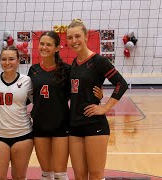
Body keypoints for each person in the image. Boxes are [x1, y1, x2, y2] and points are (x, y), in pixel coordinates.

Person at [27, 31, 103, 180]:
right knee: (46, 173)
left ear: (57, 48)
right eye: (42, 44)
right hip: (39, 125)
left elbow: (80, 89)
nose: (44, 47)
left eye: (48, 44)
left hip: (61, 125)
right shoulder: (33, 70)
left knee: (60, 174)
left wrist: (98, 96)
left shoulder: (67, 70)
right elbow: (27, 97)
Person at [66, 19, 128, 180]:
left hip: (95, 125)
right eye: (70, 37)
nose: (74, 41)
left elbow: (121, 84)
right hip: (74, 126)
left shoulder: (98, 61)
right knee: (79, 176)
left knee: (95, 175)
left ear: (86, 37)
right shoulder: (74, 63)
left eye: (77, 36)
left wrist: (105, 107)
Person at [0, 46, 34, 180]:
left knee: (19, 177)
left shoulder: (27, 81)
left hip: (23, 135)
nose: (7, 62)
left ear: (18, 60)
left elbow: (39, 103)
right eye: (4, 59)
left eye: (11, 59)